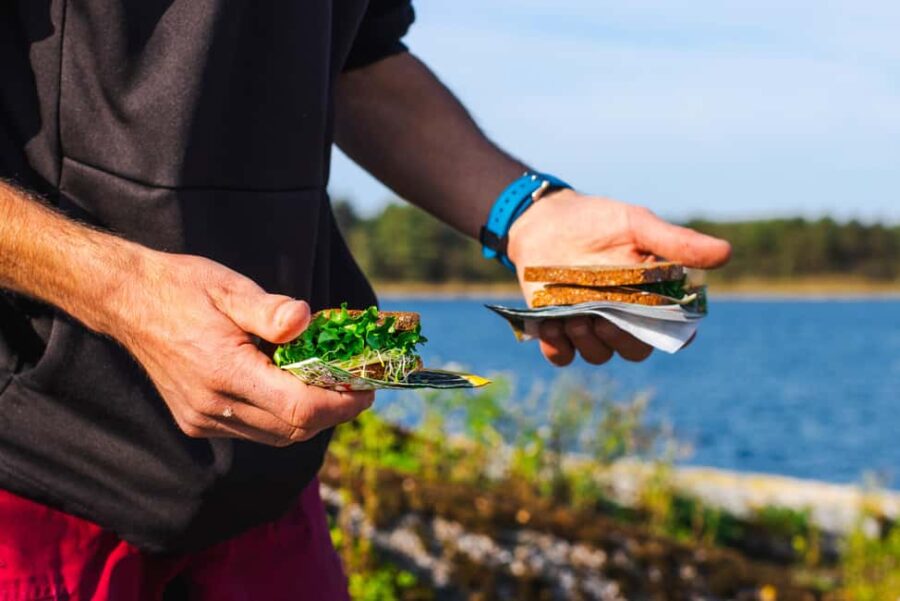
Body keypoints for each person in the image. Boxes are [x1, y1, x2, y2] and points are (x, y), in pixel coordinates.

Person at [0, 1, 731, 599]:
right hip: (32, 480)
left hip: (267, 493)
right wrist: (122, 293)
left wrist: (528, 212)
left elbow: (358, 60)